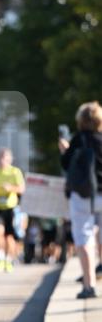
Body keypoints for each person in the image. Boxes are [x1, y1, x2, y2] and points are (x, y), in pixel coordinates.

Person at [59, 101, 102, 299]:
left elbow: (67, 165)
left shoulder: (77, 140)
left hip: (82, 195)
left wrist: (64, 150)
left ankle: (89, 285)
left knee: (84, 239)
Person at [0, 148, 25, 272]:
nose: (3, 161)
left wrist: (11, 188)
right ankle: (0, 256)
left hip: (10, 208)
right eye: (1, 158)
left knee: (9, 236)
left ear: (10, 159)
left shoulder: (15, 172)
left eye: (6, 158)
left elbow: (22, 189)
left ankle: (9, 260)